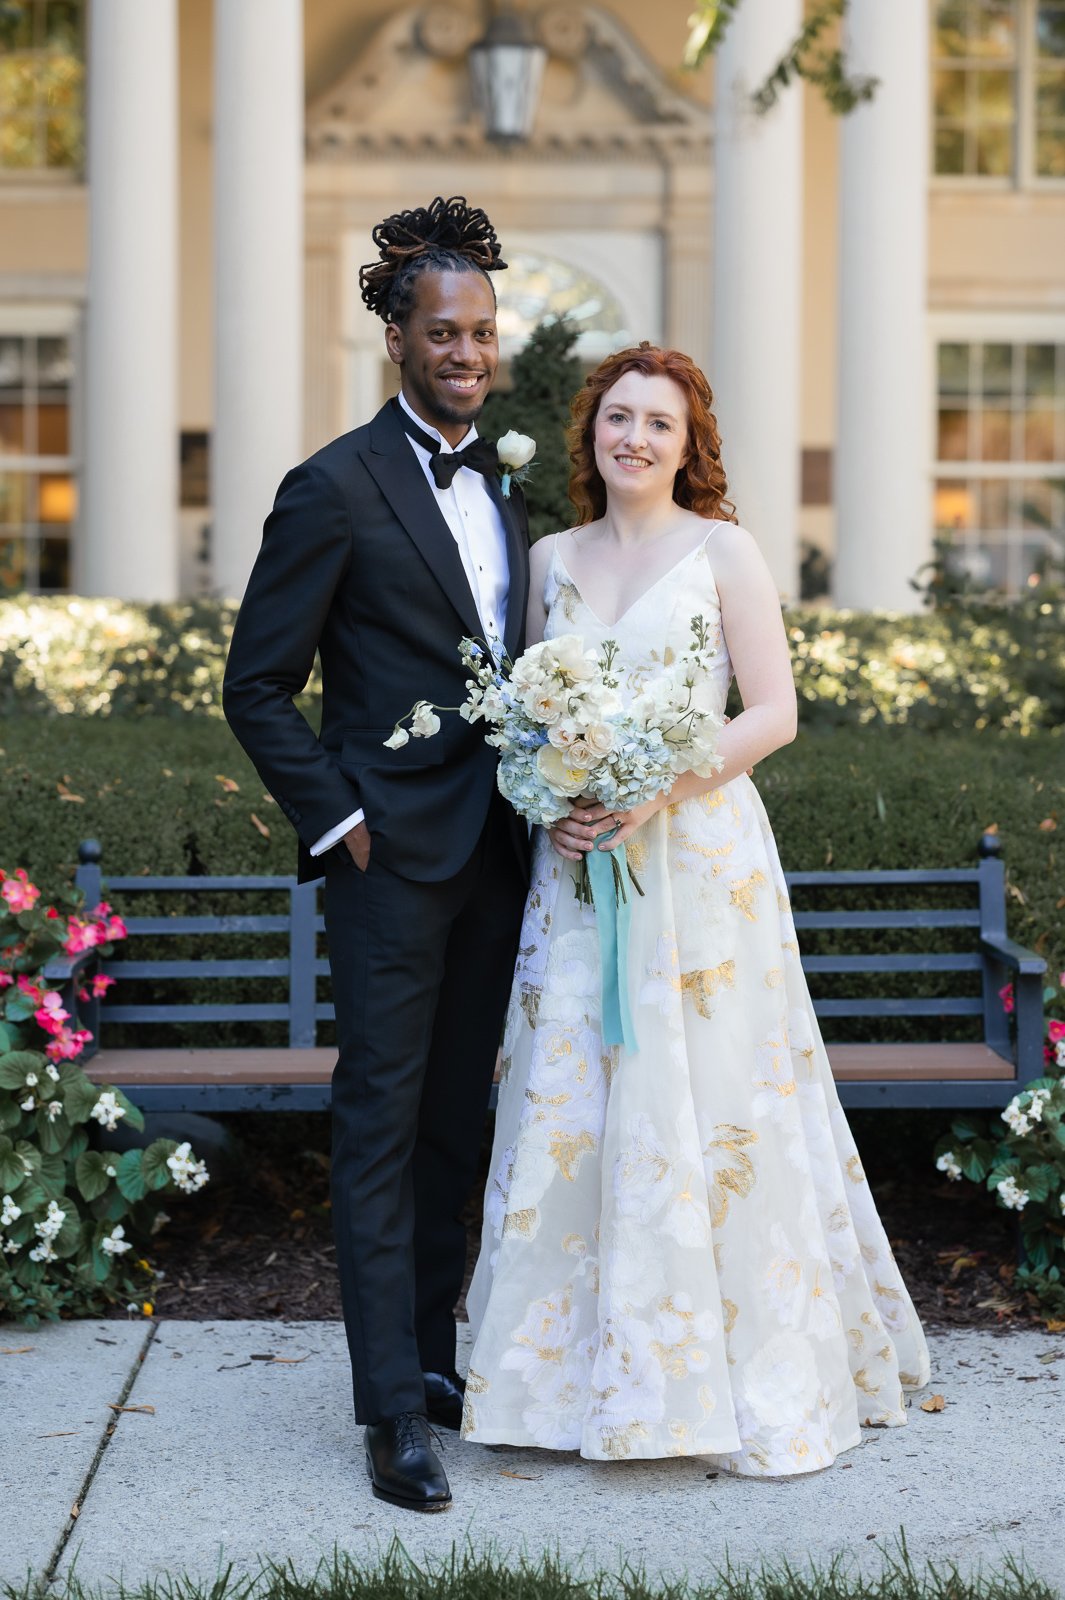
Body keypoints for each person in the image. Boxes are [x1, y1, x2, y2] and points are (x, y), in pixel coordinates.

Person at [461, 344, 930, 1475]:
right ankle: (561, 1386)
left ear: (689, 443)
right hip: (580, 876)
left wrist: (652, 789)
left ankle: (729, 1376)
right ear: (591, 434)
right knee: (577, 1094)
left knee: (717, 1100)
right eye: (617, 417)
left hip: (703, 860)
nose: (634, 437)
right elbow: (530, 714)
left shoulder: (726, 550)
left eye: (658, 423)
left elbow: (773, 711)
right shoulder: (549, 559)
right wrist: (557, 801)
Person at [222, 197, 531, 1513]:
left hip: (503, 855)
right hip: (386, 865)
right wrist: (338, 819)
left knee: (459, 1119)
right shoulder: (332, 486)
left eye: (479, 332)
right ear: (395, 338)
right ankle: (389, 1411)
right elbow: (255, 685)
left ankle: (434, 1353)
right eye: (440, 332)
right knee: (380, 1124)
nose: (463, 351)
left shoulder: (511, 484)